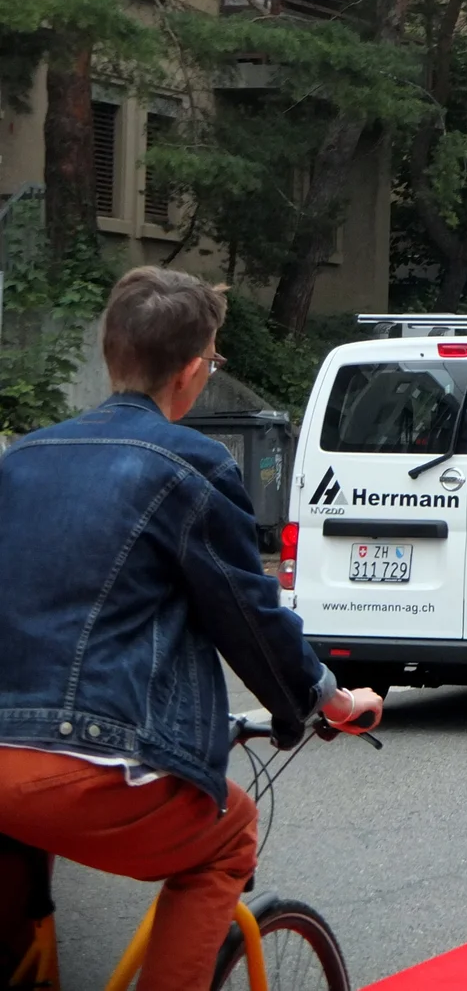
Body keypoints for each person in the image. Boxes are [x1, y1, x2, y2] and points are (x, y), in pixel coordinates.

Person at [0, 267, 381, 988]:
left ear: (112, 351)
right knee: (228, 835)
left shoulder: (20, 459)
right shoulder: (190, 465)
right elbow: (250, 615)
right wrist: (325, 700)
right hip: (85, 764)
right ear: (197, 370)